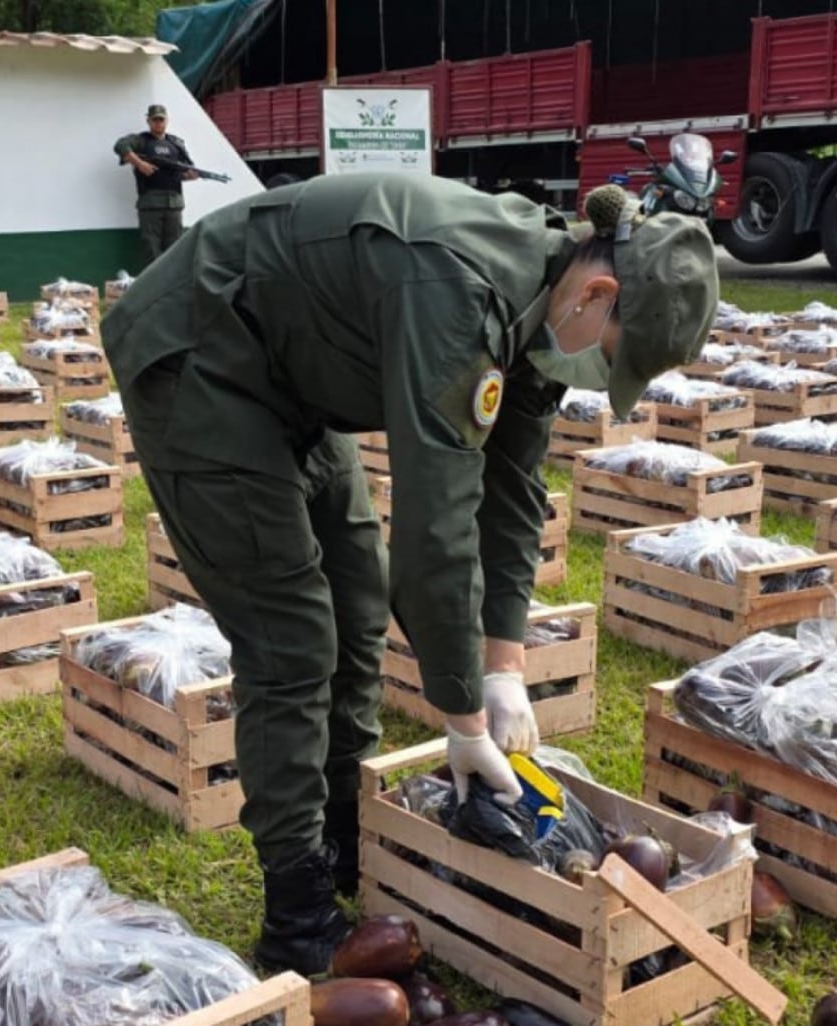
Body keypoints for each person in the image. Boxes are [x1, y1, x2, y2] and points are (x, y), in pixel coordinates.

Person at [100, 177, 718, 976]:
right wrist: (463, 719)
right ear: (597, 295)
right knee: (291, 636)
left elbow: (514, 495)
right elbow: (436, 527)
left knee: (358, 598)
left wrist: (504, 668)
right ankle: (296, 905)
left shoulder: (544, 313)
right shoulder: (458, 294)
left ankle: (347, 832)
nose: (600, 375)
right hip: (201, 352)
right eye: (612, 358)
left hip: (291, 372)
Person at [113, 105, 198, 266]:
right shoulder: (141, 140)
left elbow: (186, 169)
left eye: (161, 119)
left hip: (174, 203)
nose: (159, 123)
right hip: (150, 202)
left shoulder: (176, 143)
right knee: (151, 249)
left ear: (167, 120)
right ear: (149, 121)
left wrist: (189, 176)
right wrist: (139, 164)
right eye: (155, 120)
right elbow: (120, 146)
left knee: (174, 249)